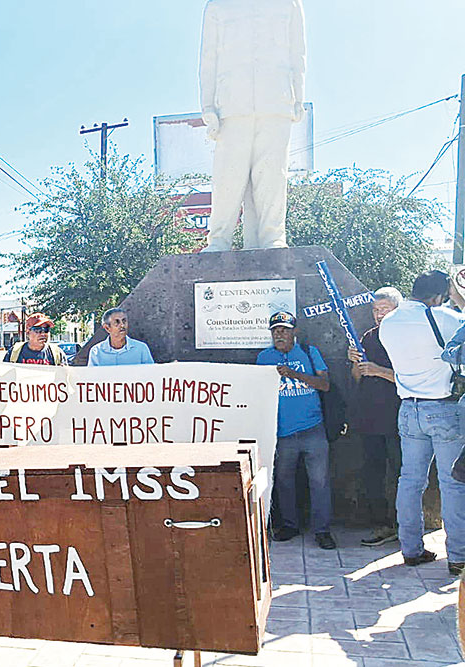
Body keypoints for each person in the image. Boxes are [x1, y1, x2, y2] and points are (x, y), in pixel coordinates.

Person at [199, 0, 306, 251]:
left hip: (276, 101)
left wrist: (298, 97)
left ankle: (273, 238)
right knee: (227, 177)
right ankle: (219, 240)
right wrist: (207, 107)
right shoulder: (218, 6)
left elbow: (297, 54)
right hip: (231, 104)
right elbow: (208, 59)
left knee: (272, 176)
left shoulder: (289, 4)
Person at [379, 270, 465, 575]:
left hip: (408, 409)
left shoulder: (388, 322)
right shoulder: (444, 318)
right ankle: (458, 557)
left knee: (410, 481)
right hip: (443, 409)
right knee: (452, 484)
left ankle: (411, 549)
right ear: (438, 296)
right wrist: (458, 298)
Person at [256, 311, 336, 550]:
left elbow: (325, 385)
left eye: (284, 330)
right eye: (275, 331)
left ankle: (322, 530)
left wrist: (294, 374)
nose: (279, 334)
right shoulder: (263, 357)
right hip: (282, 432)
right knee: (284, 480)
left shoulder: (310, 353)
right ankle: (290, 525)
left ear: (295, 332)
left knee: (320, 482)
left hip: (313, 429)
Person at [346, 287, 402, 547]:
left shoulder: (408, 337)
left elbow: (411, 379)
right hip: (370, 419)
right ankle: (382, 526)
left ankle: (408, 526)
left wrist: (379, 371)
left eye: (384, 309)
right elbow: (357, 379)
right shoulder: (367, 337)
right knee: (373, 475)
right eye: (375, 310)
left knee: (404, 475)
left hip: (400, 420)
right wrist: (355, 365)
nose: (379, 315)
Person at [87, 308, 154, 366]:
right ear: (107, 328)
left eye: (124, 321)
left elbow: (151, 375)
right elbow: (92, 377)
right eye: (117, 322)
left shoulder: (141, 349)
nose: (122, 325)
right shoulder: (96, 352)